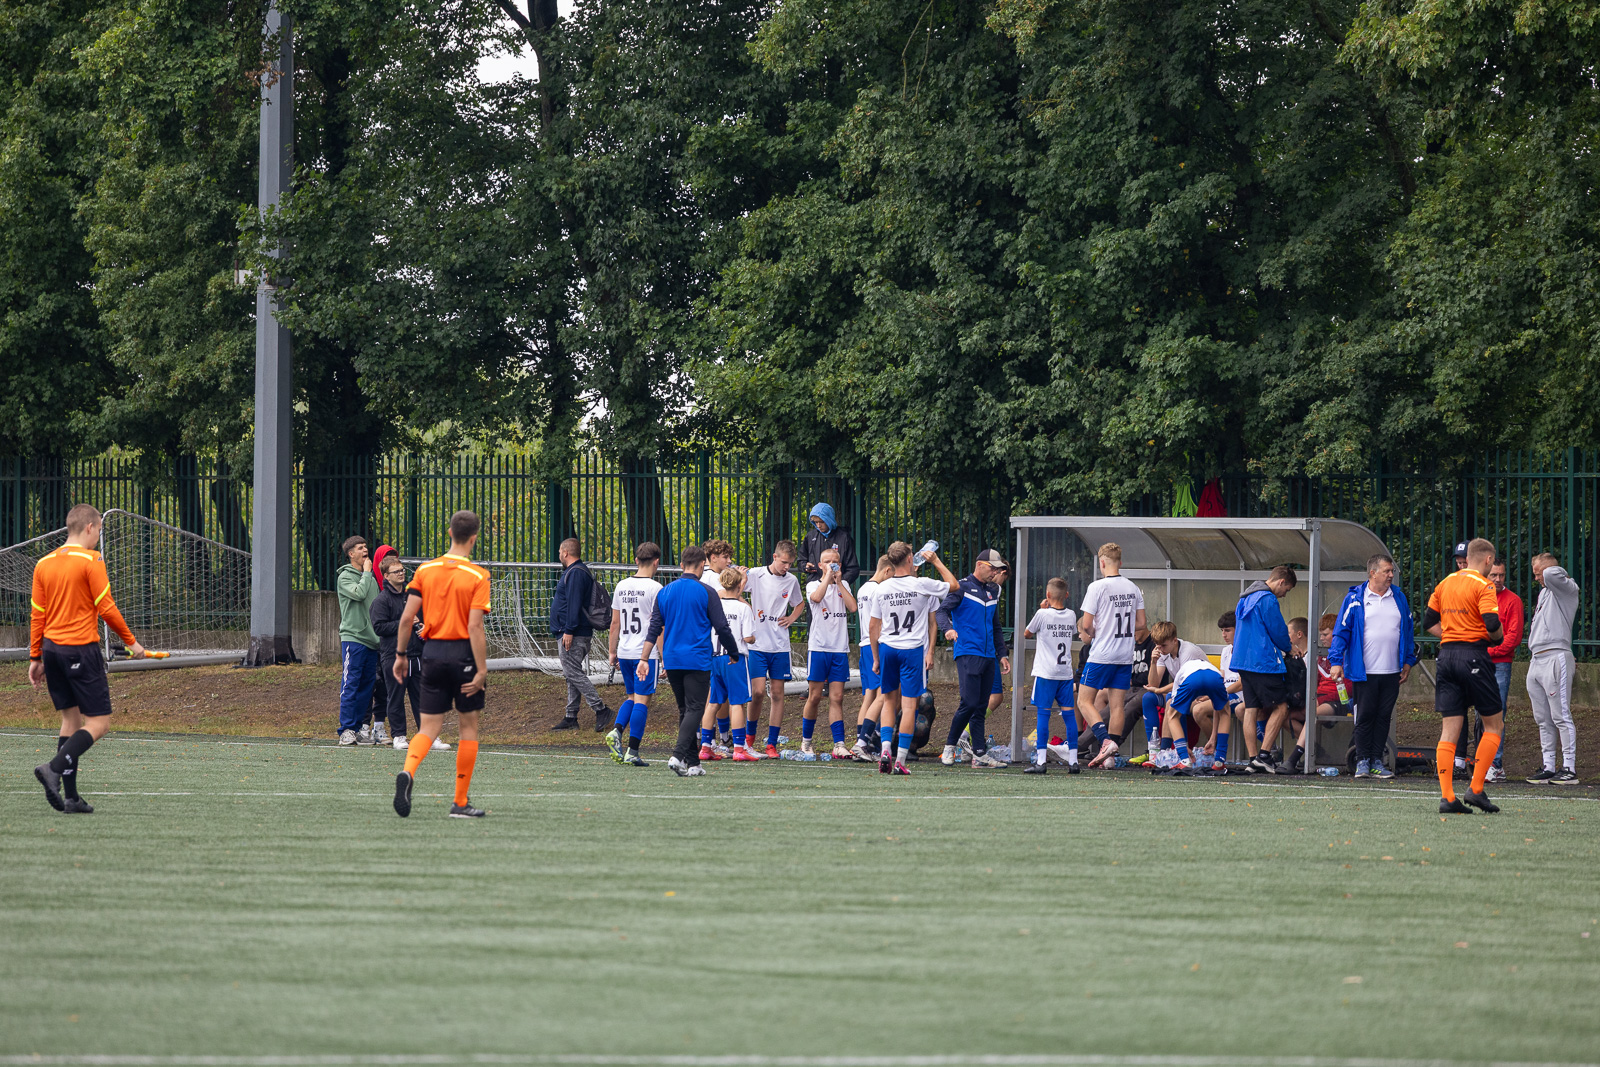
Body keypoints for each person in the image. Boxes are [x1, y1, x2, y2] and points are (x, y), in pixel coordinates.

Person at [29, 504, 149, 814]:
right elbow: (106, 608)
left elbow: (38, 614)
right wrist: (132, 643)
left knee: (70, 720)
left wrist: (35, 657)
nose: (98, 538)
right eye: (99, 531)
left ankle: (70, 798)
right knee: (99, 723)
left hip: (51, 651)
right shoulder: (92, 560)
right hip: (80, 650)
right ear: (89, 528)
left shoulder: (43, 563)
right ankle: (53, 768)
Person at [391, 510, 491, 819]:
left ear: (449, 533)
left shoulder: (425, 570)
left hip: (431, 653)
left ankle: (408, 771)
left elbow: (407, 618)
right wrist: (482, 669)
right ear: (474, 538)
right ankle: (459, 802)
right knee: (468, 727)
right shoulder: (478, 575)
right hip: (463, 655)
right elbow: (475, 626)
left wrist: (400, 655)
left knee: (429, 727)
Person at [637, 544, 741, 776]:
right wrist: (734, 653)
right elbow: (722, 627)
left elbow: (654, 628)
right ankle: (677, 755)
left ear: (682, 565)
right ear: (703, 565)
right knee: (695, 708)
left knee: (686, 710)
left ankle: (693, 764)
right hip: (697, 659)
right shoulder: (707, 592)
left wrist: (644, 658)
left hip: (672, 659)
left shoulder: (665, 591)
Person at [1425, 537, 1505, 814]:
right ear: (1488, 560)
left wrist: (1451, 634)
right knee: (1494, 724)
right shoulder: (1484, 585)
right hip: (1473, 656)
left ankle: (1447, 797)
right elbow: (1492, 623)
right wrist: (1497, 637)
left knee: (1449, 729)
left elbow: (1428, 621)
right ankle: (1476, 789)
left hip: (1446, 656)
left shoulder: (1445, 583)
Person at [868, 541, 960, 775]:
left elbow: (873, 627)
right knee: (909, 706)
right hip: (911, 650)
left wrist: (876, 658)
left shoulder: (882, 588)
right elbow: (954, 585)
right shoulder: (921, 584)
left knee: (888, 701)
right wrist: (936, 561)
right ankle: (900, 760)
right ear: (910, 559)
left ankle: (885, 749)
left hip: (888, 648)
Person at [1329, 553, 1416, 781]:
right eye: (1387, 571)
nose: (1391, 575)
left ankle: (1377, 761)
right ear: (1373, 573)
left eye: (1392, 571)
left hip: (1392, 671)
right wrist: (1336, 661)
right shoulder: (1355, 598)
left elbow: (1408, 631)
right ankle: (1362, 760)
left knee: (1383, 716)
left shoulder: (1399, 597)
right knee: (1365, 716)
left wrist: (1408, 661)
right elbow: (1341, 631)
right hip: (1364, 671)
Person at [935, 548, 1010, 769]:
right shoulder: (962, 587)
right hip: (968, 651)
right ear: (979, 565)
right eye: (992, 568)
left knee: (980, 706)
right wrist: (948, 629)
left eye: (997, 569)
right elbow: (941, 612)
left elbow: (996, 626)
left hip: (988, 655)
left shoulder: (993, 590)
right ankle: (949, 746)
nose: (995, 572)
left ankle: (979, 753)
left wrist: (1002, 654)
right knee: (968, 702)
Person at [1076, 543, 1147, 768]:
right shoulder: (1133, 588)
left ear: (1102, 562)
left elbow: (1087, 625)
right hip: (1124, 655)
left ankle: (1105, 741)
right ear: (1120, 562)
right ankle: (1110, 758)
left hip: (1102, 655)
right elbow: (1142, 623)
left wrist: (1097, 631)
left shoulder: (1097, 587)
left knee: (1083, 700)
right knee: (1117, 706)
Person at [1232, 564, 1297, 774]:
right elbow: (1277, 629)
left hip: (1242, 661)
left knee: (1251, 709)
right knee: (1282, 707)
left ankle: (1253, 759)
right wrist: (1289, 647)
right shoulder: (1267, 599)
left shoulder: (1245, 597)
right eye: (1286, 590)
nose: (1284, 595)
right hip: (1263, 662)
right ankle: (1264, 755)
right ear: (1281, 581)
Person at [605, 542, 664, 767]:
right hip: (645, 654)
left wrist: (612, 651)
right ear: (656, 562)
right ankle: (633, 751)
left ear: (637, 560)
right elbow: (658, 627)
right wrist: (664, 657)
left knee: (632, 697)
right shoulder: (656, 588)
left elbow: (615, 623)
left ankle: (617, 731)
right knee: (642, 701)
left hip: (625, 650)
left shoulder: (621, 585)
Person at [745, 541, 805, 758]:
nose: (787, 567)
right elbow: (732, 589)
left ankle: (771, 744)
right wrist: (746, 606)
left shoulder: (791, 580)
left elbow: (799, 603)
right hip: (757, 645)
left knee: (778, 694)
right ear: (774, 556)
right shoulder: (756, 574)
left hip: (780, 646)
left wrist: (792, 618)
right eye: (784, 562)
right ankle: (748, 740)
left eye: (790, 564)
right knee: (758, 692)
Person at [1525, 552, 1580, 784]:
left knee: (1560, 714)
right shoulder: (1545, 592)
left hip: (1556, 655)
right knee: (1542, 717)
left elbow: (1551, 573)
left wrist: (1546, 569)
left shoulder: (1567, 588)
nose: (1537, 578)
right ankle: (1548, 765)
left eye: (1538, 573)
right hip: (1537, 658)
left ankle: (1569, 767)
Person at [371, 552, 435, 752]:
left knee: (422, 698)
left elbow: (426, 617)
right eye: (396, 571)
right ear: (386, 576)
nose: (401, 573)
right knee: (396, 697)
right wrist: (404, 622)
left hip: (417, 655)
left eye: (401, 570)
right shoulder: (381, 600)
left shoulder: (413, 596)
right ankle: (399, 736)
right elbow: (379, 627)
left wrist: (425, 627)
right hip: (393, 656)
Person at [800, 547, 857, 759]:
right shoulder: (813, 584)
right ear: (820, 565)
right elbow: (816, 598)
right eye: (827, 561)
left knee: (837, 697)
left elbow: (853, 607)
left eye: (835, 561)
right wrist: (827, 577)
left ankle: (839, 744)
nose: (831, 564)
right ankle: (806, 742)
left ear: (840, 565)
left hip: (839, 648)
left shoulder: (844, 585)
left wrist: (839, 582)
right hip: (819, 647)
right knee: (814, 696)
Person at [550, 537, 609, 732]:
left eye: (560, 551)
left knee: (572, 672)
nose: (559, 555)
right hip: (574, 632)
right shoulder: (576, 571)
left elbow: (574, 604)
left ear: (566, 552)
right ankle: (571, 716)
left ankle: (601, 709)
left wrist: (569, 630)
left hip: (573, 634)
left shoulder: (575, 573)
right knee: (572, 673)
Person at [701, 567, 759, 761]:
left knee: (713, 703)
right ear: (740, 585)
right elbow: (748, 637)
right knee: (737, 703)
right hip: (735, 658)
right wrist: (753, 639)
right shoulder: (743, 608)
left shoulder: (714, 606)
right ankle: (739, 749)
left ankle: (706, 747)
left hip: (715, 657)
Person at [1022, 577, 1079, 775]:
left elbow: (1027, 633)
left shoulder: (1042, 614)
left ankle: (1041, 761)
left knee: (1043, 714)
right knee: (1069, 715)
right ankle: (1073, 761)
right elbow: (1072, 631)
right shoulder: (1071, 615)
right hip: (1065, 673)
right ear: (1067, 595)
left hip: (1046, 673)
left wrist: (1042, 609)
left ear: (1047, 595)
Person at [336, 535, 381, 746]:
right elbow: (359, 594)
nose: (365, 550)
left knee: (366, 687)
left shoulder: (369, 577)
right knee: (350, 684)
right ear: (351, 554)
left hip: (372, 641)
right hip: (353, 638)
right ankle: (346, 729)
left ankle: (359, 728)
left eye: (365, 547)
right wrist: (367, 573)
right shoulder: (345, 577)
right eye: (360, 548)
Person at [850, 554, 894, 761]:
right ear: (887, 570)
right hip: (876, 644)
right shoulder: (879, 590)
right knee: (884, 695)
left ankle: (861, 742)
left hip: (865, 644)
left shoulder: (863, 588)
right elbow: (879, 621)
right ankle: (863, 742)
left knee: (869, 695)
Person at [1484, 558, 1524, 782]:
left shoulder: (1513, 600)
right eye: (1494, 575)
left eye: (1501, 575)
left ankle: (1495, 764)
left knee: (1497, 712)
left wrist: (1488, 651)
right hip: (1481, 661)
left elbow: (1513, 637)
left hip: (1500, 663)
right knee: (1481, 713)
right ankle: (1484, 760)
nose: (1498, 579)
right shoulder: (1480, 596)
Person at [699, 540, 737, 745]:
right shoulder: (713, 578)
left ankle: (719, 737)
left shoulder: (705, 575)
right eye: (725, 557)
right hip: (713, 642)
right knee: (713, 694)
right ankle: (710, 739)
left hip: (709, 641)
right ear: (712, 558)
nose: (729, 561)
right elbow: (727, 598)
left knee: (717, 693)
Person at [798, 503, 859, 584]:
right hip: (816, 584)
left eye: (822, 522)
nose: (818, 525)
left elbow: (853, 568)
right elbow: (800, 560)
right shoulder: (810, 536)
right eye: (816, 522)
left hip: (837, 587)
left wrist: (839, 583)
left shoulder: (844, 537)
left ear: (829, 519)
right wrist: (805, 566)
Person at [1125, 625, 1158, 765]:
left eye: (1134, 629)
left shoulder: (1155, 644)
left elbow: (1153, 682)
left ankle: (1111, 745)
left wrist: (1134, 681)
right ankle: (1089, 744)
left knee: (1137, 703)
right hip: (1131, 687)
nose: (1132, 634)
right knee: (1103, 697)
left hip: (1149, 689)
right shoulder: (1129, 643)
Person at [1314, 614, 1353, 719]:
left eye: (1325, 635)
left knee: (1312, 714)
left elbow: (1350, 689)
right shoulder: (1321, 656)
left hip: (1338, 699)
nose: (1321, 638)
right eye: (1320, 635)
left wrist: (1320, 700)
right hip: (1319, 697)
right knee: (1292, 715)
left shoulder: (1348, 657)